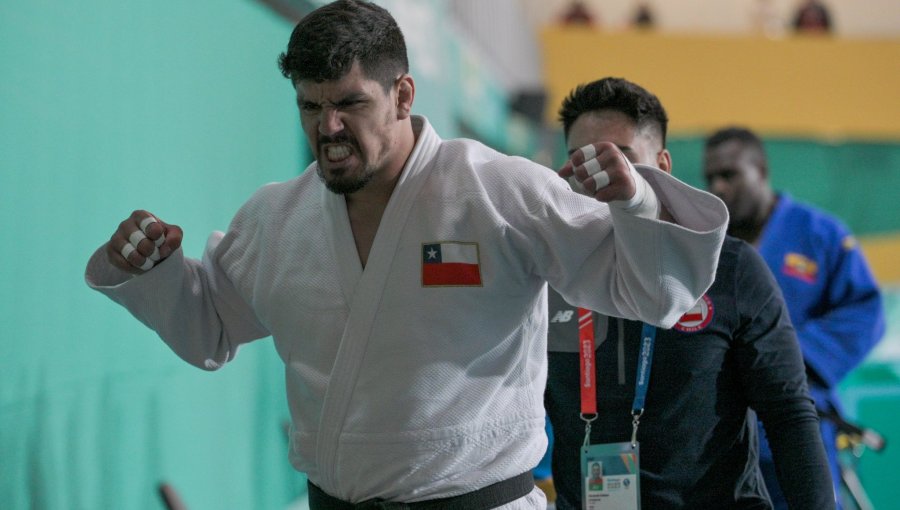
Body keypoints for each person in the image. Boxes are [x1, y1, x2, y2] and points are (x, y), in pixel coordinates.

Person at [84, 1, 729, 507]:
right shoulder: (274, 217)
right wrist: (156, 272)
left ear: (403, 95)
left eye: (349, 104)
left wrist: (637, 206)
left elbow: (655, 294)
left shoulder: (500, 190)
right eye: (310, 106)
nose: (327, 127)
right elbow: (210, 327)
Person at [545, 77, 835, 509]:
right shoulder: (550, 271)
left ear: (662, 166)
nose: (599, 178)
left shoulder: (730, 268)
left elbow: (789, 413)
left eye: (619, 159)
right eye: (580, 161)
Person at [703, 126, 885, 510]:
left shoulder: (821, 233)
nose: (718, 187)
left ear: (761, 170)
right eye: (711, 178)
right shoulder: (705, 247)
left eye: (730, 174)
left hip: (798, 419)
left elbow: (866, 311)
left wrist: (781, 354)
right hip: (722, 430)